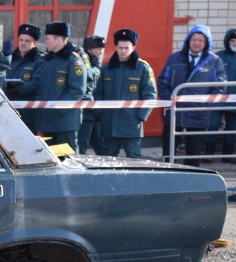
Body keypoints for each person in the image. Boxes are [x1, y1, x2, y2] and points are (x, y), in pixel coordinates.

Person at [158, 24, 226, 166]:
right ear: (188, 40)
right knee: (168, 153)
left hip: (198, 115)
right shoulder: (174, 58)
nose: (197, 43)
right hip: (174, 113)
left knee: (194, 154)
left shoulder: (214, 61)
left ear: (206, 43)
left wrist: (204, 105)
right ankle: (167, 179)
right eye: (194, 39)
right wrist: (169, 99)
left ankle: (191, 181)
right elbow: (163, 81)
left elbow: (220, 87)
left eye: (201, 40)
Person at [14, 21, 85, 151]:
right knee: (52, 163)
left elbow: (76, 91)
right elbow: (41, 87)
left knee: (68, 160)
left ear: (58, 40)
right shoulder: (48, 60)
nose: (45, 42)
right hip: (46, 122)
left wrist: (56, 109)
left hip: (64, 123)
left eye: (48, 39)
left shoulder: (73, 60)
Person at [95, 29, 157, 158]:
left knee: (134, 159)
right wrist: (101, 115)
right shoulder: (107, 69)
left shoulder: (142, 68)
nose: (123, 51)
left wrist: (140, 117)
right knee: (108, 159)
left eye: (127, 48)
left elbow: (150, 95)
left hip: (132, 123)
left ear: (133, 47)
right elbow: (98, 94)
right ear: (116, 47)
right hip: (109, 124)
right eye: (120, 47)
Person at [5, 23, 45, 133]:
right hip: (9, 111)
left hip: (28, 114)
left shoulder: (39, 61)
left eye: (27, 41)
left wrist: (16, 89)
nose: (23, 43)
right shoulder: (10, 60)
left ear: (35, 43)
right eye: (21, 40)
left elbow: (36, 84)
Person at [204, 29, 236, 163]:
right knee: (212, 125)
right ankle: (207, 154)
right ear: (227, 42)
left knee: (232, 128)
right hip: (217, 100)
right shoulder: (217, 57)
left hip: (234, 102)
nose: (235, 43)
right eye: (232, 41)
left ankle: (228, 156)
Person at [78, 35, 106, 155]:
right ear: (89, 49)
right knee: (81, 145)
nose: (101, 51)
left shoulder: (95, 65)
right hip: (86, 114)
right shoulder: (84, 64)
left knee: (102, 146)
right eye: (98, 48)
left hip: (95, 113)